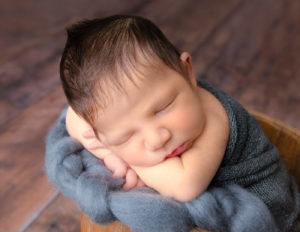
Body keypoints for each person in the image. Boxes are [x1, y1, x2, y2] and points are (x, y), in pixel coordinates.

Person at [60, 15, 299, 230]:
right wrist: (109, 147)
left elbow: (185, 187)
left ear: (187, 71)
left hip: (273, 214)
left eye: (163, 107)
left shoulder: (215, 115)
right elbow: (73, 117)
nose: (157, 138)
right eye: (126, 135)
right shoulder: (120, 125)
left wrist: (120, 153)